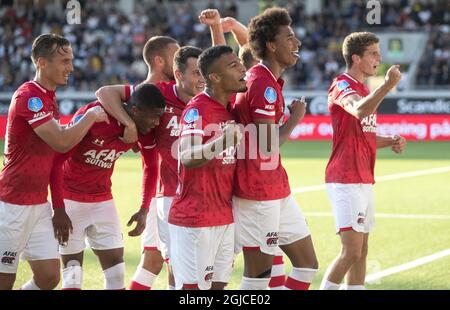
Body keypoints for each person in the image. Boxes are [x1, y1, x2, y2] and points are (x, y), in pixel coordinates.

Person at [0, 33, 108, 290]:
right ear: (42, 62)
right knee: (4, 280)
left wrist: (58, 207)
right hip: (12, 205)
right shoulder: (29, 96)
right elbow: (61, 142)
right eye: (64, 61)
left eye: (70, 60)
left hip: (38, 205)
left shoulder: (49, 99)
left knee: (49, 277)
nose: (70, 67)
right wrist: (91, 116)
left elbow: (53, 160)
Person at [96, 46, 204, 290]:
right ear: (176, 72)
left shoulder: (205, 98)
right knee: (175, 265)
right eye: (196, 72)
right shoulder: (154, 95)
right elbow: (104, 92)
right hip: (167, 194)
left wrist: (218, 28)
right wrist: (130, 125)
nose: (201, 79)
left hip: (200, 193)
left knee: (161, 262)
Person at [232, 8, 319, 290]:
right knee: (258, 278)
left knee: (307, 266)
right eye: (290, 37)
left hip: (276, 188)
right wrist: (295, 118)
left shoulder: (268, 80)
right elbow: (267, 143)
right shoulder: (261, 82)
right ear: (271, 45)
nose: (298, 44)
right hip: (257, 191)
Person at [50, 84, 166, 290]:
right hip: (69, 200)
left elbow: (151, 166)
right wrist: (58, 208)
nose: (157, 123)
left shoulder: (145, 131)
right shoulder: (95, 117)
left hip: (103, 200)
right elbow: (57, 161)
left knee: (116, 275)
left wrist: (144, 209)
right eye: (154, 116)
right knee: (73, 276)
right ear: (136, 111)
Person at [320, 32, 406, 290]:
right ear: (356, 58)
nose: (379, 59)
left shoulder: (363, 89)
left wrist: (390, 140)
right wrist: (388, 85)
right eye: (373, 54)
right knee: (351, 252)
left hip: (363, 178)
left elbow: (364, 135)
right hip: (345, 178)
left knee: (362, 250)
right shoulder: (342, 85)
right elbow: (358, 110)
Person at [168, 45, 246, 290]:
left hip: (224, 216)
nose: (243, 69)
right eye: (234, 66)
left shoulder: (229, 108)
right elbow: (187, 156)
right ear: (214, 77)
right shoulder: (196, 109)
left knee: (217, 289)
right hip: (194, 218)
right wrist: (222, 142)